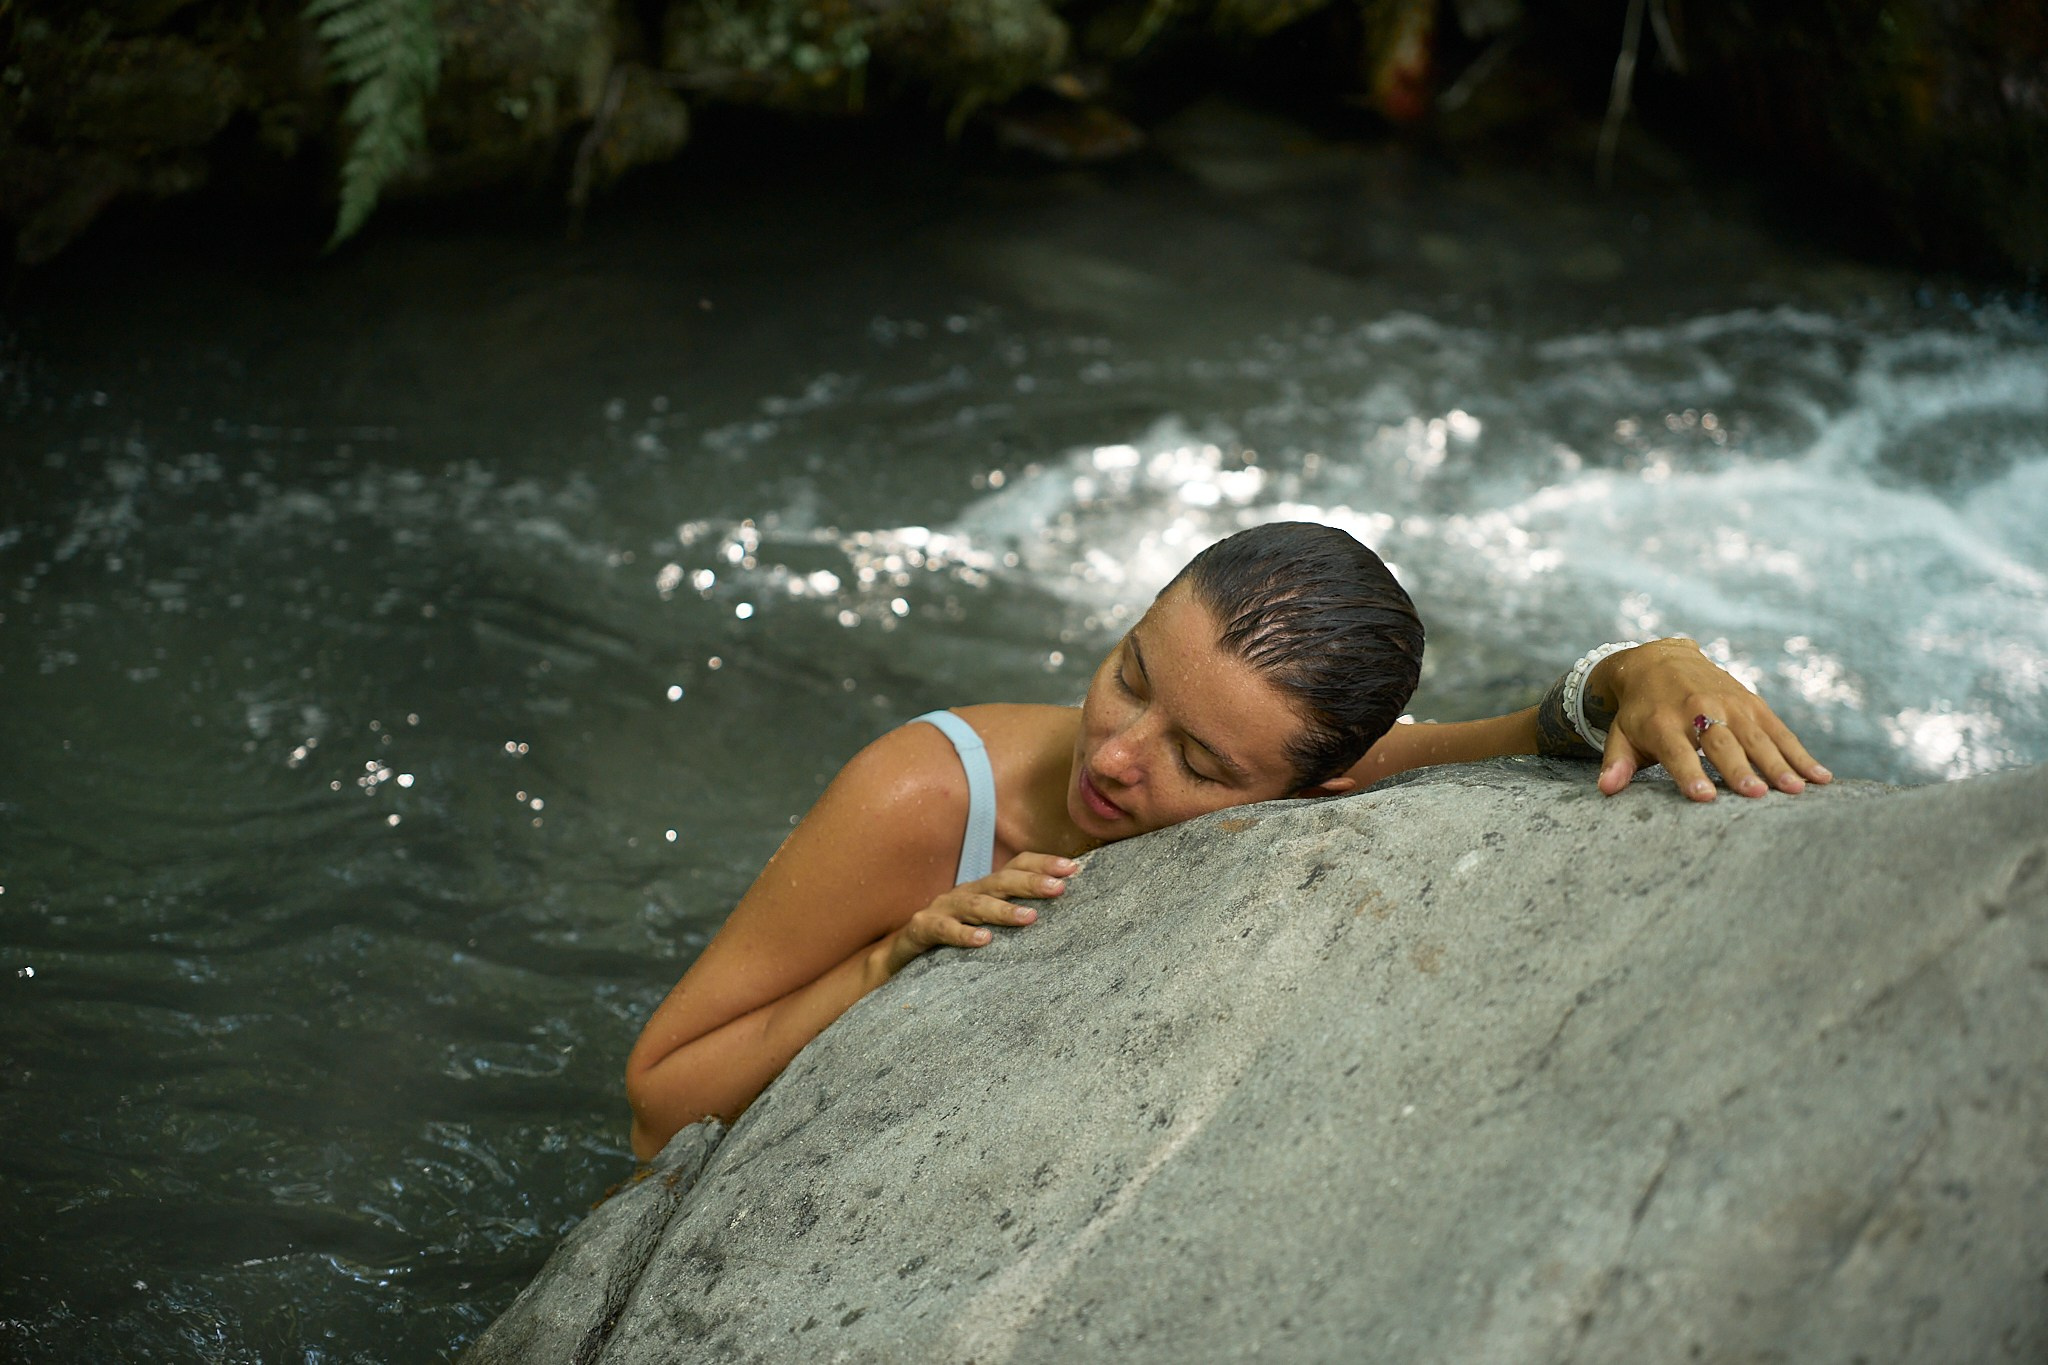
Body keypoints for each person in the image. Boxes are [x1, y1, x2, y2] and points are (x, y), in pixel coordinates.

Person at [624, 521, 1830, 1159]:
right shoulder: (922, 798)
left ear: (1316, 788)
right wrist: (889, 961)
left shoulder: (1310, 781)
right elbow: (655, 1098)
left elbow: (1518, 733)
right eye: (1128, 675)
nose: (1115, 755)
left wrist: (1650, 666)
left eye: (1197, 763)